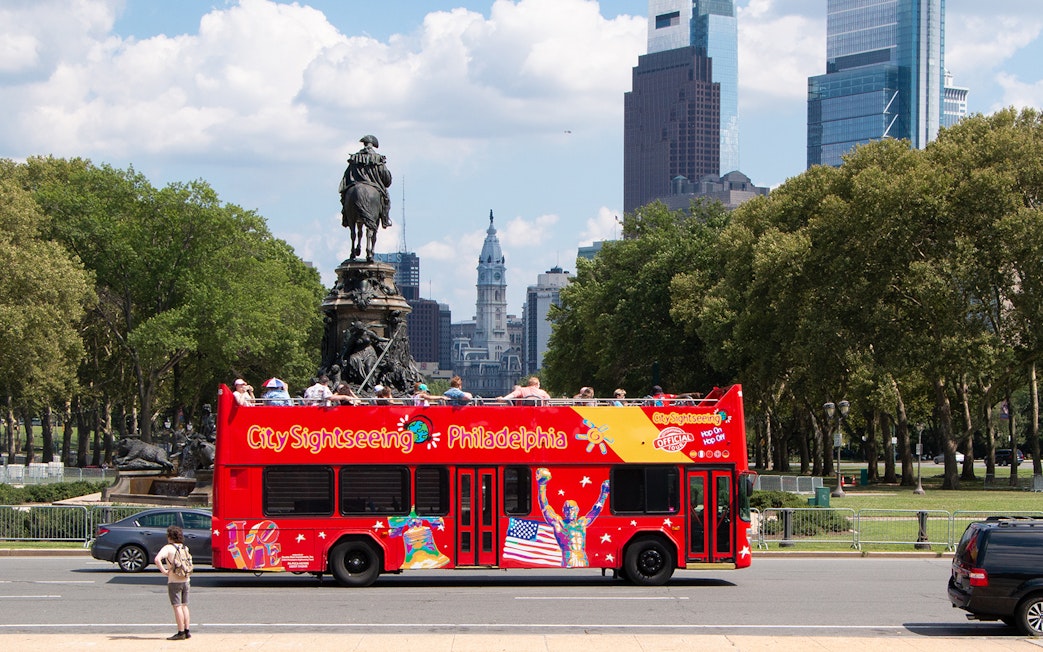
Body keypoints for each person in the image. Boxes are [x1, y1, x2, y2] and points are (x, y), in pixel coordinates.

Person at [155, 525, 192, 640]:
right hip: (186, 579)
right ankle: (187, 630)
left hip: (174, 580)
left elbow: (157, 559)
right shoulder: (184, 548)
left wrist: (165, 571)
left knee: (177, 606)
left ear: (170, 536)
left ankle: (180, 632)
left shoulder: (168, 548)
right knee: (185, 605)